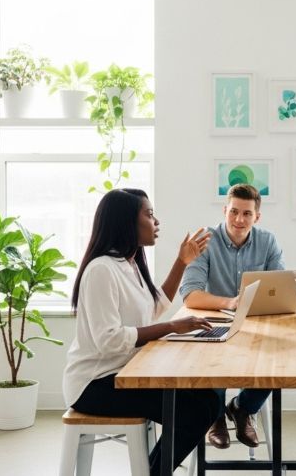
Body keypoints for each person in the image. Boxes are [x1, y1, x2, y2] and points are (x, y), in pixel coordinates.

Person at [62, 188, 217, 475]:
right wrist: (171, 327)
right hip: (94, 384)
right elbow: (109, 341)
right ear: (125, 222)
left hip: (124, 375)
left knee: (209, 399)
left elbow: (153, 308)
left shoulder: (130, 265)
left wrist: (182, 262)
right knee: (193, 411)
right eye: (149, 214)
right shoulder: (101, 270)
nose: (156, 221)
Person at [179, 183, 284, 450]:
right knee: (210, 358)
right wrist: (231, 303)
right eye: (234, 212)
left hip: (255, 325)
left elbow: (280, 289)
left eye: (247, 214)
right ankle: (215, 417)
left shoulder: (267, 241)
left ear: (256, 217)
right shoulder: (206, 240)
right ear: (225, 210)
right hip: (214, 323)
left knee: (277, 360)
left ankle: (242, 408)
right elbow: (190, 294)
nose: (239, 219)